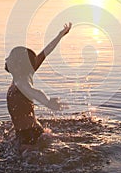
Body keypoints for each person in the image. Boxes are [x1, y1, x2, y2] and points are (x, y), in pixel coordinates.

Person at [5, 22, 72, 151]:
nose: (6, 59)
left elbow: (34, 92)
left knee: (27, 168)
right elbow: (45, 52)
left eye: (9, 58)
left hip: (27, 135)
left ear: (17, 65)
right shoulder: (27, 72)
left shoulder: (21, 82)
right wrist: (60, 35)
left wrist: (47, 102)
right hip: (30, 131)